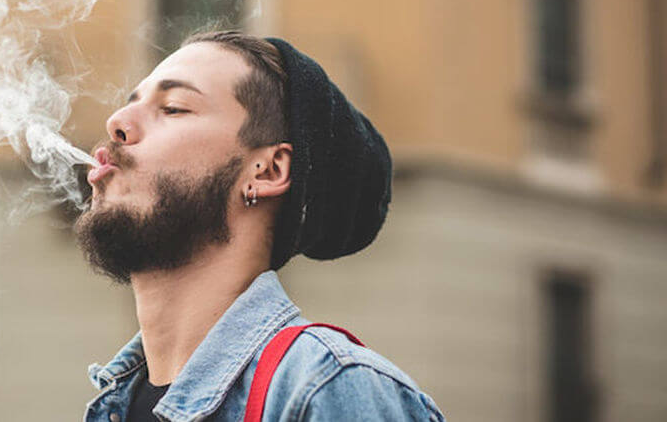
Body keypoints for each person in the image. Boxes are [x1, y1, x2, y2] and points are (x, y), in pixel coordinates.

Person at [74, 31, 446, 421]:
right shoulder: (117, 404)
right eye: (131, 102)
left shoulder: (327, 390)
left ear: (266, 171)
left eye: (173, 107)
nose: (117, 121)